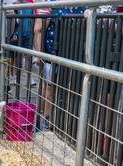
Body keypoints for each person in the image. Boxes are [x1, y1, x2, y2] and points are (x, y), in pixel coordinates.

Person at [34, 0, 85, 129]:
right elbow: (39, 31)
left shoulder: (82, 5)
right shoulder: (50, 5)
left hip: (75, 56)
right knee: (50, 86)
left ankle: (67, 120)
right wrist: (40, 54)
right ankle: (48, 117)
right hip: (53, 54)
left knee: (72, 88)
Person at [8, 0, 35, 86]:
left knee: (28, 56)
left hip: (27, 35)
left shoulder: (29, 5)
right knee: (12, 57)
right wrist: (13, 34)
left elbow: (33, 19)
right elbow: (12, 20)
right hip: (15, 35)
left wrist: (32, 32)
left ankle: (29, 77)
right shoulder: (12, 4)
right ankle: (12, 76)